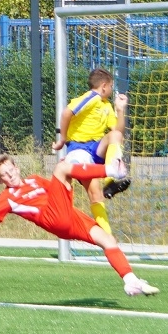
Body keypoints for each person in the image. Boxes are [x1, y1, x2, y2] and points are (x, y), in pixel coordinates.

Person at [0, 155, 160, 297]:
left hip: (68, 214)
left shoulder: (34, 180)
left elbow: (56, 189)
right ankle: (110, 170)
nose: (10, 175)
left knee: (108, 240)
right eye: (4, 175)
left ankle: (130, 281)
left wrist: (69, 175)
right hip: (54, 218)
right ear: (0, 181)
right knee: (61, 168)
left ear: (17, 168)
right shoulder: (7, 197)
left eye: (10, 170)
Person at [50, 68, 131, 237]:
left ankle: (111, 179)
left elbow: (118, 131)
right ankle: (107, 238)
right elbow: (66, 113)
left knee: (115, 135)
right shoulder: (91, 98)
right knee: (95, 194)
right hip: (79, 151)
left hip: (95, 148)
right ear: (103, 86)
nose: (112, 90)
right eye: (111, 86)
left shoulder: (107, 105)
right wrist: (62, 139)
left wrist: (121, 110)